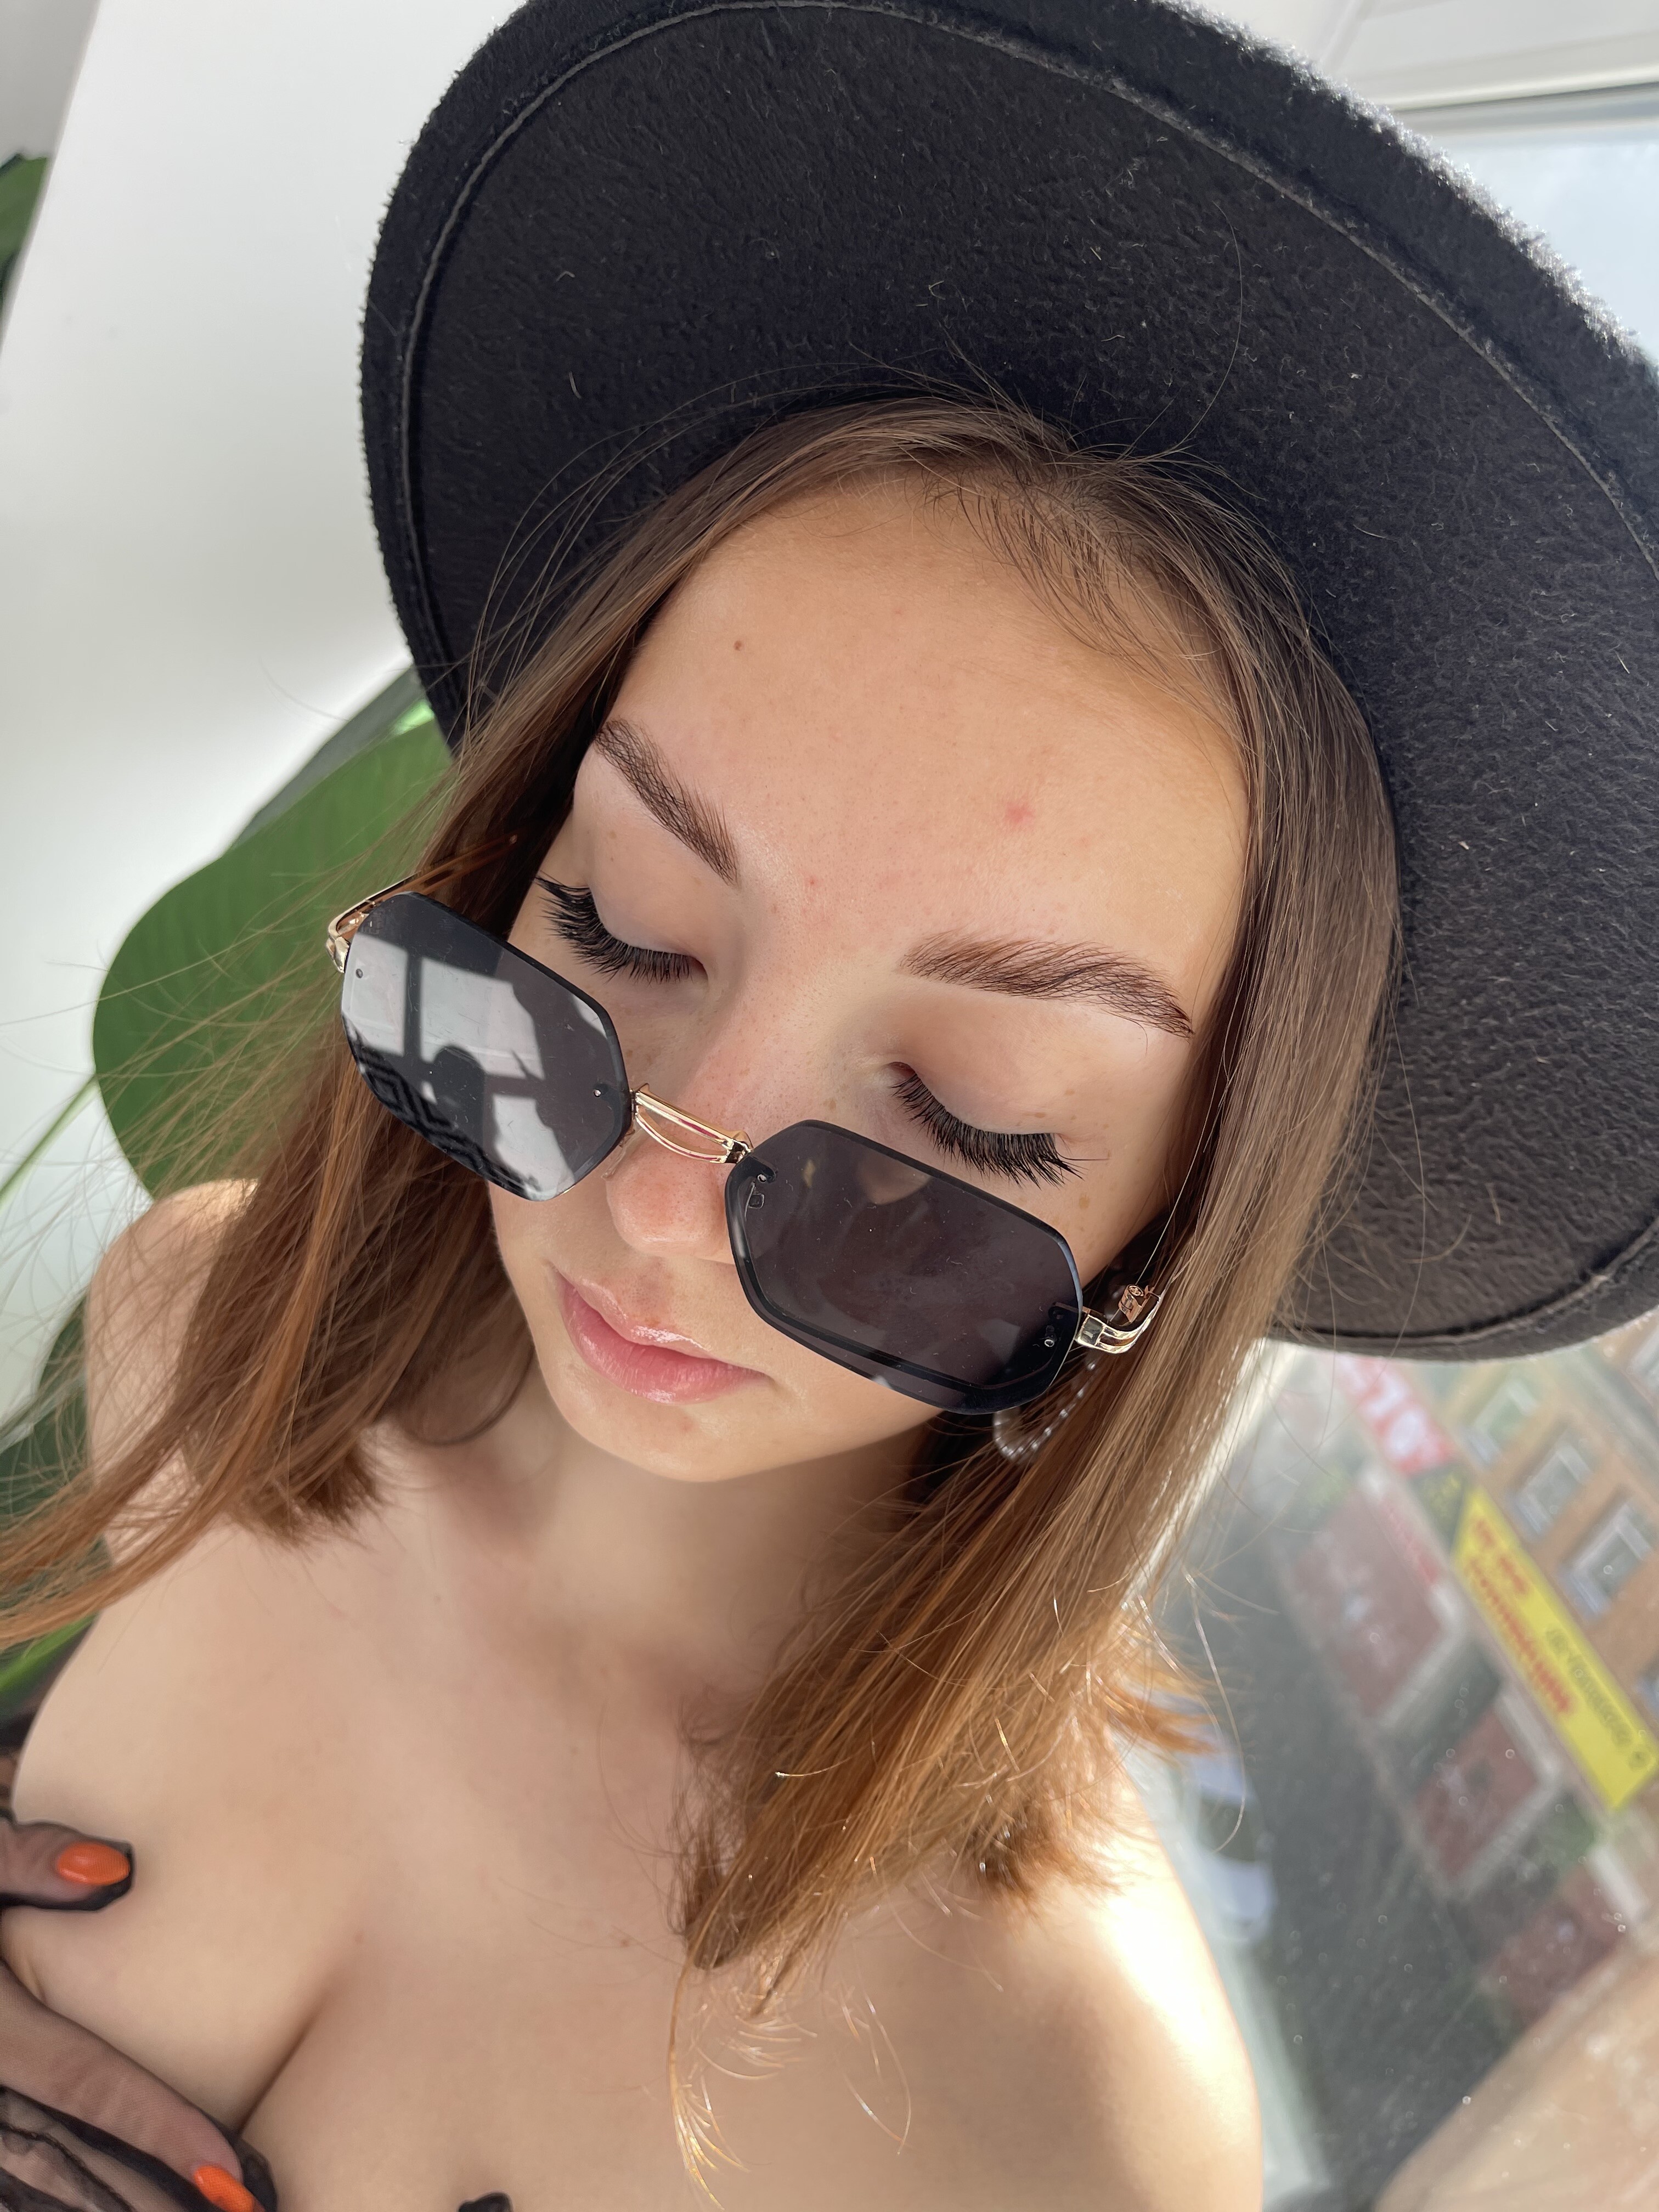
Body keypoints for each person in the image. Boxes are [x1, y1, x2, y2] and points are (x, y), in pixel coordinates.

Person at [4, 2, 1658, 2208]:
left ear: (1171, 1225)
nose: (651, 1213)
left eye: (970, 1128)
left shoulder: (1058, 2115)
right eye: (621, 927)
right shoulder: (200, 1331)